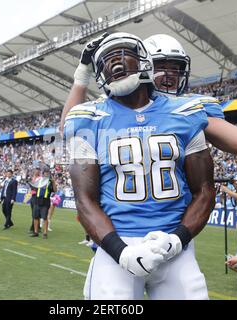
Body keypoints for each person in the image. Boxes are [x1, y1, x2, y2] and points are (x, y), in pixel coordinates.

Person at [65, 32, 215, 299]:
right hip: (117, 246)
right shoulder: (88, 117)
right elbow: (84, 200)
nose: (115, 64)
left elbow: (204, 190)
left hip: (173, 244)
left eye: (123, 55)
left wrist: (177, 239)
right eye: (107, 61)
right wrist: (121, 252)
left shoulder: (185, 112)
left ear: (144, 61)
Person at [60, 33, 237, 166]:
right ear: (142, 65)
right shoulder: (112, 106)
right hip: (117, 231)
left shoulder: (188, 109)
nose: (170, 75)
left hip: (175, 230)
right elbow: (68, 129)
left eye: (175, 68)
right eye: (162, 66)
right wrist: (82, 74)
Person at [30, 167, 57, 239]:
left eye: (48, 173)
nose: (46, 174)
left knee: (45, 218)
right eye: (45, 172)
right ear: (43, 173)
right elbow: (33, 187)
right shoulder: (39, 180)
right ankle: (36, 232)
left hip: (45, 201)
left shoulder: (50, 181)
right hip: (37, 200)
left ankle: (45, 233)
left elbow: (55, 190)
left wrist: (54, 182)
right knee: (35, 217)